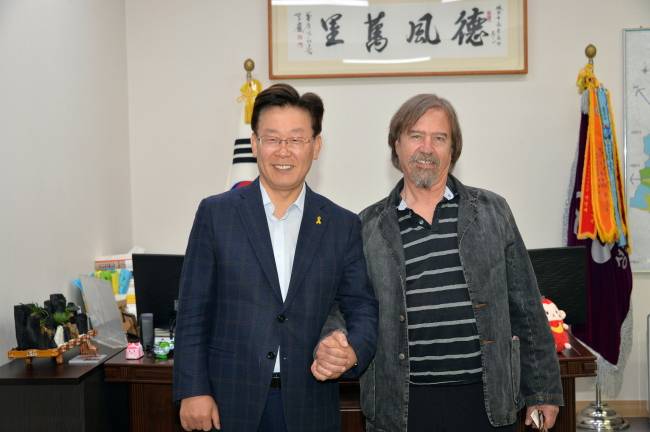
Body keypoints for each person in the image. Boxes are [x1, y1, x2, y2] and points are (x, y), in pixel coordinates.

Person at [314, 94, 563, 431]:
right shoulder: (366, 228)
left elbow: (527, 308)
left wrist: (543, 389)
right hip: (403, 406)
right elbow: (346, 305)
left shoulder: (493, 212)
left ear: (452, 149)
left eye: (439, 138)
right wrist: (333, 338)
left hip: (487, 402)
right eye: (416, 136)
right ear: (397, 145)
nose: (427, 148)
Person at [173, 83, 378, 432]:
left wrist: (352, 350)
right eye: (272, 138)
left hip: (310, 401)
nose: (284, 150)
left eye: (296, 139)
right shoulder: (216, 214)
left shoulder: (341, 225)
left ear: (316, 146)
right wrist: (193, 390)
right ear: (254, 144)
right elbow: (193, 310)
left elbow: (362, 308)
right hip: (228, 400)